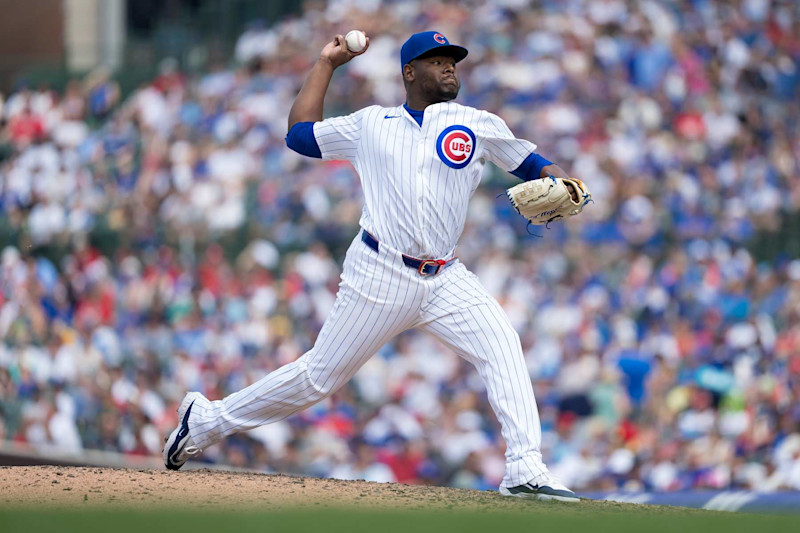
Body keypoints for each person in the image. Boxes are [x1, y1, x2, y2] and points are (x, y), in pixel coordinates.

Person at [164, 31, 579, 502]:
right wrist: (326, 64)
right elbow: (299, 135)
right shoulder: (371, 124)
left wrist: (558, 180)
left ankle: (525, 468)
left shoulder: (477, 123)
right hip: (380, 272)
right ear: (409, 72)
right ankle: (205, 421)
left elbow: (530, 163)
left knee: (502, 343)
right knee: (318, 378)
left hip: (444, 277)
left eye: (452, 62)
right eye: (436, 60)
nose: (449, 68)